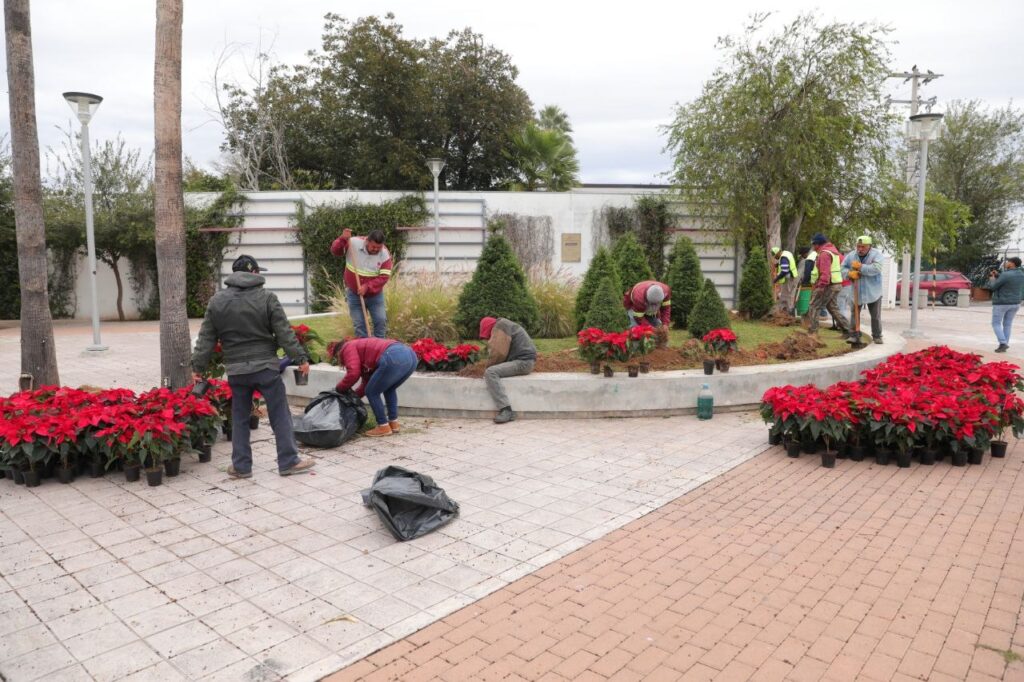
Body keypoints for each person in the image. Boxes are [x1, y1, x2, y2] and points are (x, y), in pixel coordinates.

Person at [191, 255, 315, 478]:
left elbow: (206, 338)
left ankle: (241, 466)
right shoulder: (267, 298)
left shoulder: (217, 301)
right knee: (279, 414)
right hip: (266, 368)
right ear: (255, 273)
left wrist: (197, 368)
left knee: (239, 418)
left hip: (237, 371)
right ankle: (288, 461)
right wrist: (301, 359)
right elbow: (284, 333)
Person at [334, 337, 418, 436]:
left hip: (394, 355)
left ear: (339, 352)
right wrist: (353, 397)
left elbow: (353, 373)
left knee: (372, 392)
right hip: (411, 357)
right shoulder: (362, 353)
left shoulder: (347, 347)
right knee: (389, 389)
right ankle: (393, 424)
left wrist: (339, 389)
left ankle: (383, 426)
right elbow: (367, 383)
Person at [330, 228, 393, 338]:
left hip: (375, 296)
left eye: (379, 247)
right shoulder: (353, 242)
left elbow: (384, 277)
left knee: (381, 321)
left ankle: (378, 348)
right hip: (354, 294)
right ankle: (363, 349)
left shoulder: (384, 254)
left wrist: (367, 287)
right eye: (373, 246)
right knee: (359, 325)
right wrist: (343, 239)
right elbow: (336, 251)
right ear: (367, 241)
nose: (376, 249)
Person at [479, 316, 537, 424]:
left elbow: (499, 352)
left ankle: (506, 410)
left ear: (489, 328)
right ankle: (506, 411)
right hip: (525, 361)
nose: (489, 338)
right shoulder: (505, 324)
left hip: (523, 362)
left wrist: (487, 367)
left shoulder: (501, 326)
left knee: (490, 372)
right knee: (491, 371)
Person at [841, 235, 885, 344]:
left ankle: (877, 335)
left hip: (873, 291)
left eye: (863, 247)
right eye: (858, 246)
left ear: (869, 246)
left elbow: (877, 268)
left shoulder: (876, 255)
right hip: (856, 290)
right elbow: (842, 268)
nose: (860, 249)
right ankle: (854, 335)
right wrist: (849, 274)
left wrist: (861, 267)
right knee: (854, 313)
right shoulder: (851, 255)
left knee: (875, 315)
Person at [806, 234, 850, 335]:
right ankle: (848, 331)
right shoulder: (833, 252)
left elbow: (825, 273)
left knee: (814, 306)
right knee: (833, 308)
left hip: (828, 285)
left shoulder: (824, 254)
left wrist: (821, 286)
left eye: (813, 244)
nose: (812, 247)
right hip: (836, 284)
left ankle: (812, 333)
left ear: (817, 244)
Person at [984, 257, 1024, 353]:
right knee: (1007, 324)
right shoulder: (1021, 274)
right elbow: (1008, 281)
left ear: (1013, 264)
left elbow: (993, 287)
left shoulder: (1006, 274)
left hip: (1002, 303)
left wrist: (992, 279)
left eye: (1008, 261)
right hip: (1016, 303)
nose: (1006, 263)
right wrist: (998, 275)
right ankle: (1004, 344)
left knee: (996, 323)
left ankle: (1003, 343)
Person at [771, 246, 798, 314]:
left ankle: (786, 314)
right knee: (788, 296)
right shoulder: (786, 253)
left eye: (775, 256)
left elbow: (784, 271)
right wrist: (778, 265)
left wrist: (776, 279)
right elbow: (787, 264)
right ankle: (788, 312)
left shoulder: (783, 258)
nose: (775, 257)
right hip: (792, 276)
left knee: (785, 297)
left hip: (788, 279)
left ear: (778, 253)